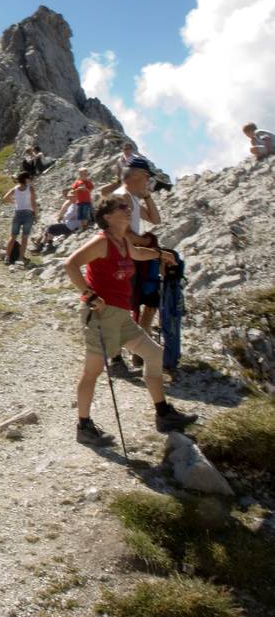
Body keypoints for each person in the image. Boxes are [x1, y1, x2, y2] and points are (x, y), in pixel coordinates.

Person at [64, 195, 197, 446]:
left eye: (127, 208)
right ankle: (84, 426)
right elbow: (70, 265)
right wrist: (90, 295)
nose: (127, 211)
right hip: (102, 316)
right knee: (92, 372)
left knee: (154, 353)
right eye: (121, 209)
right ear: (107, 217)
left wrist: (160, 254)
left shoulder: (123, 240)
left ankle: (163, 413)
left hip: (122, 316)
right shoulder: (101, 242)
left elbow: (137, 253)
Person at [101, 157, 163, 374]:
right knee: (120, 308)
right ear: (136, 175)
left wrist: (146, 196)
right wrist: (144, 241)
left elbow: (156, 219)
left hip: (129, 257)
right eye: (146, 177)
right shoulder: (121, 197)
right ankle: (116, 359)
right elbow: (122, 231)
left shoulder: (133, 198)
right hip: (120, 258)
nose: (148, 180)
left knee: (140, 304)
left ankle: (136, 354)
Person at [31, 189, 82, 254]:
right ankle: (41, 248)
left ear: (75, 197)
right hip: (67, 224)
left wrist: (63, 217)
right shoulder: (72, 205)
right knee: (49, 231)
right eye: (69, 197)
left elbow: (70, 216)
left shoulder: (76, 206)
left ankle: (47, 246)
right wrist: (65, 217)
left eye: (71, 197)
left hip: (70, 226)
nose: (69, 198)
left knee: (51, 228)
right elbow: (69, 216)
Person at [2, 171, 37, 266]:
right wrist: (36, 215)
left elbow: (5, 197)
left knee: (13, 236)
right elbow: (33, 203)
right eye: (29, 178)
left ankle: (7, 257)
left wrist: (13, 202)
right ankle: (20, 258)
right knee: (24, 237)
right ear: (25, 179)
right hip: (28, 214)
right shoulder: (30, 188)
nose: (30, 180)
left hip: (18, 214)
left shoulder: (15, 189)